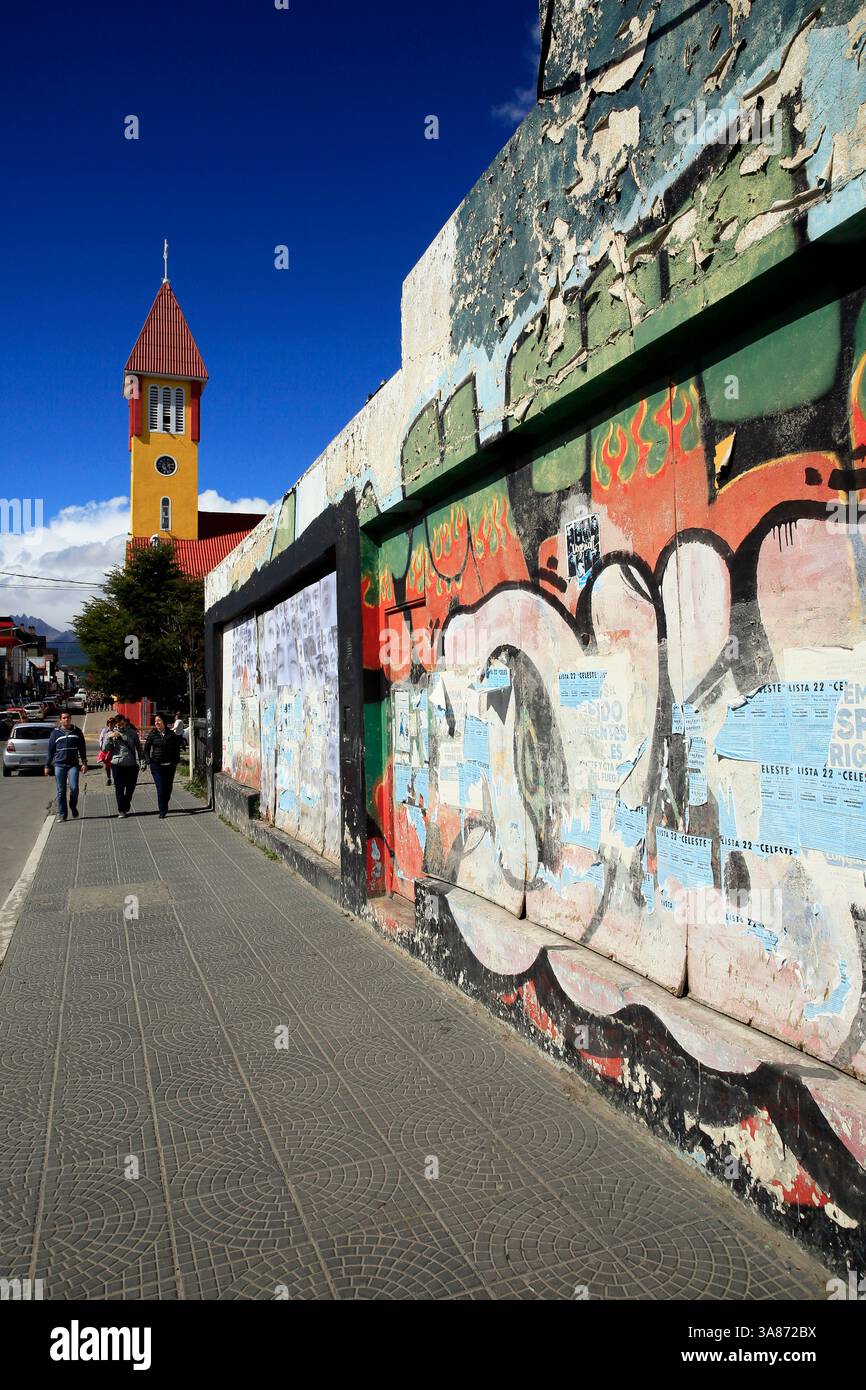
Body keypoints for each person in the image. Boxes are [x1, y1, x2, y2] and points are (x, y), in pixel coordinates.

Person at [44, 711, 89, 822]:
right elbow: (50, 750)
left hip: (73, 765)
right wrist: (47, 765)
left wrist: (84, 763)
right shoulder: (55, 733)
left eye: (68, 717)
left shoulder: (77, 731)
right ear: (60, 720)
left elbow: (82, 748)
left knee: (74, 788)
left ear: (70, 719)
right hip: (59, 765)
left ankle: (73, 805)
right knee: (61, 790)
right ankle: (62, 814)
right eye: (64, 718)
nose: (66, 719)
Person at [106, 716, 145, 817]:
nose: (120, 726)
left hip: (131, 764)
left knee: (130, 787)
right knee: (119, 788)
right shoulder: (111, 733)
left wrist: (142, 761)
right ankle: (121, 810)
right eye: (118, 725)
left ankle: (126, 802)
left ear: (125, 723)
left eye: (122, 724)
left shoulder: (132, 733)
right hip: (117, 764)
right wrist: (109, 738)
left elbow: (139, 748)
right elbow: (104, 749)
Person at [144, 715, 181, 818]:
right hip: (157, 766)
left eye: (159, 720)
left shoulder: (171, 735)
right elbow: (146, 749)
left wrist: (175, 761)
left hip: (170, 766)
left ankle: (165, 804)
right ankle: (162, 810)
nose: (156, 723)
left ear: (164, 722)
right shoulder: (152, 734)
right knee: (161, 789)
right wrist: (148, 761)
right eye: (155, 721)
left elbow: (176, 749)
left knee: (168, 788)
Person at [97, 715, 116, 785]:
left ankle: (115, 778)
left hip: (114, 751)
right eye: (109, 723)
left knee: (114, 765)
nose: (111, 725)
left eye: (112, 723)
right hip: (106, 751)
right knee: (107, 766)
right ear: (108, 724)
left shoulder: (116, 731)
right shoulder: (104, 731)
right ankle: (109, 778)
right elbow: (100, 740)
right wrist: (102, 748)